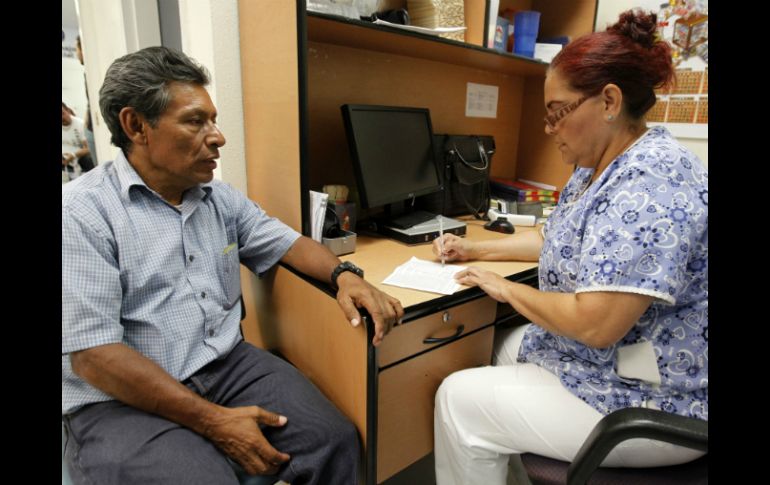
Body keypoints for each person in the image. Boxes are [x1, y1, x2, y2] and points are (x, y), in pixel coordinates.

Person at [62, 46, 404, 484]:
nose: (218, 137)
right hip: (118, 397)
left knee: (333, 439)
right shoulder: (82, 213)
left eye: (213, 120)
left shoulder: (218, 197)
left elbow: (287, 242)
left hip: (223, 365)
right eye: (195, 121)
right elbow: (94, 357)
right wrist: (214, 422)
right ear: (136, 126)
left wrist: (345, 277)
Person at [431, 10, 708, 484]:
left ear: (609, 101)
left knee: (458, 399)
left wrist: (507, 289)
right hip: (612, 362)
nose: (548, 127)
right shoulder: (596, 166)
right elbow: (555, 238)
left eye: (556, 111)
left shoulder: (652, 181)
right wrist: (474, 250)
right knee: (494, 347)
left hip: (656, 399)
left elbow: (596, 324)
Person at [75, 35, 98, 167]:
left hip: (93, 129)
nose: (76, 54)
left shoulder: (93, 73)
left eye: (77, 49)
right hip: (90, 127)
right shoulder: (88, 72)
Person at [62, 101, 91, 182]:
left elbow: (88, 148)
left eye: (62, 113)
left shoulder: (80, 124)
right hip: (65, 158)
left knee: (87, 159)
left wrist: (73, 155)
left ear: (68, 111)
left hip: (79, 157)